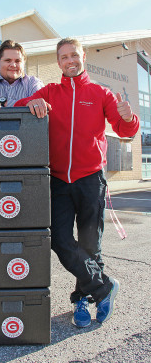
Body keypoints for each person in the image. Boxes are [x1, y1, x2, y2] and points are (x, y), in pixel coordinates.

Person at [14, 38, 139, 328]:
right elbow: (20, 108)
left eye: (74, 55)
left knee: (90, 244)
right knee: (58, 239)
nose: (70, 60)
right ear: (58, 62)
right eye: (64, 57)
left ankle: (81, 299)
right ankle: (105, 287)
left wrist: (129, 117)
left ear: (83, 57)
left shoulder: (100, 93)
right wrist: (30, 101)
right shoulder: (49, 92)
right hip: (57, 179)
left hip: (90, 178)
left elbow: (124, 129)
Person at [0, 39, 44, 106]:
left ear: (23, 64)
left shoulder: (33, 84)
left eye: (17, 61)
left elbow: (39, 109)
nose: (13, 65)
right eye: (8, 60)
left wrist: (1, 103)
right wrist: (25, 104)